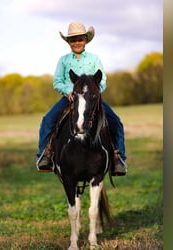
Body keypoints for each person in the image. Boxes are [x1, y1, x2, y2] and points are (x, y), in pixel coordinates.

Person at [36, 21, 127, 176]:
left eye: (80, 39)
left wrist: (94, 94)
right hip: (70, 98)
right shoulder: (63, 60)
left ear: (86, 40)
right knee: (47, 120)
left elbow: (102, 80)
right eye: (73, 40)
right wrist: (69, 91)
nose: (77, 42)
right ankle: (45, 155)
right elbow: (57, 81)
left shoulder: (94, 59)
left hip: (92, 100)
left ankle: (118, 159)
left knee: (116, 122)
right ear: (69, 42)